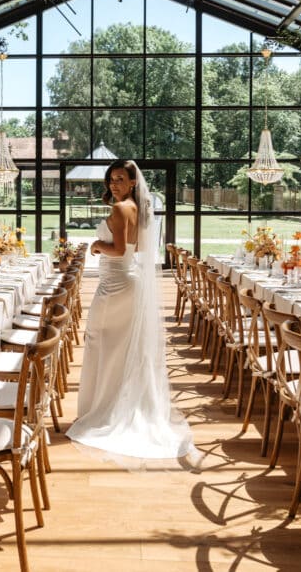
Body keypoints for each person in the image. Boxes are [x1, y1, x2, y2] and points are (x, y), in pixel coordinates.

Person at [65, 160, 194, 459]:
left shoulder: (121, 209)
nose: (114, 184)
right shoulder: (141, 210)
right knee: (120, 349)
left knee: (100, 342)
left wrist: (97, 245)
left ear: (134, 182)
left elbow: (120, 249)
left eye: (120, 179)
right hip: (129, 281)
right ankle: (115, 406)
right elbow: (142, 251)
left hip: (115, 286)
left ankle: (103, 411)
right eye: (111, 179)